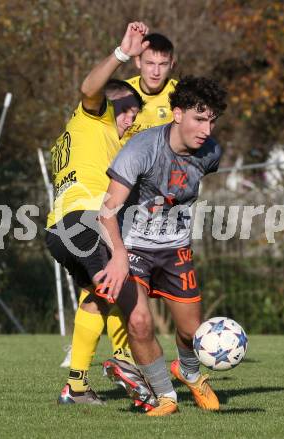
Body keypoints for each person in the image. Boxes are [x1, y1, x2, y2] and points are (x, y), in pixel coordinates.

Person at [97, 76, 228, 416]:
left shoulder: (211, 153)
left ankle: (189, 372)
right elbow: (106, 211)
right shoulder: (142, 149)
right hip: (132, 247)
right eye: (200, 119)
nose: (206, 129)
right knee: (139, 323)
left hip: (175, 248)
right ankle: (166, 397)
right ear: (178, 113)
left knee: (191, 332)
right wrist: (120, 256)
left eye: (212, 120)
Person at [45, 21, 155, 406]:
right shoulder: (93, 116)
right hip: (84, 219)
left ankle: (75, 385)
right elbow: (90, 88)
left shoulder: (92, 138)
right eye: (127, 111)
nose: (131, 119)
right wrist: (123, 54)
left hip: (60, 228)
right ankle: (127, 365)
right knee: (124, 287)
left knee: (98, 295)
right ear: (111, 105)